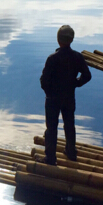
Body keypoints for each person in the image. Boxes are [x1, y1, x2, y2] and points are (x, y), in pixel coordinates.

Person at [40, 25, 91, 165]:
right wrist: (76, 83)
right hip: (69, 97)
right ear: (72, 39)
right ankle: (71, 152)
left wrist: (49, 93)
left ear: (58, 40)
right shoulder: (77, 57)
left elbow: (44, 81)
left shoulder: (52, 58)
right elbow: (87, 75)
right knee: (69, 125)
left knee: (51, 128)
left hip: (53, 99)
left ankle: (50, 158)